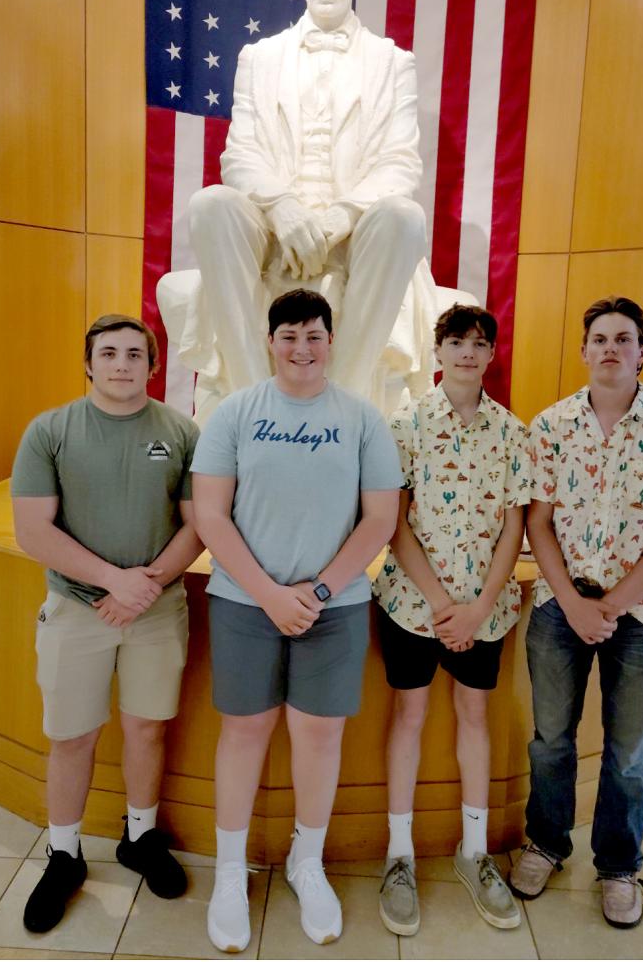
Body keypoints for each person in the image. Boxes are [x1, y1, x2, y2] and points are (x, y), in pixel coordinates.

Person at [191, 289, 401, 951]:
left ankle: (305, 862)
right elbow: (211, 515)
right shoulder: (235, 414)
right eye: (289, 336)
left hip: (333, 607)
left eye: (313, 335)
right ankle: (230, 872)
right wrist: (269, 594)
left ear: (330, 341)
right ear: (271, 341)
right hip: (244, 601)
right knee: (246, 728)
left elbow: (380, 519)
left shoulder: (363, 419)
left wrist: (315, 589)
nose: (302, 349)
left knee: (317, 734)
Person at [509, 296, 643, 929]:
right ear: (583, 351)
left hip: (640, 615)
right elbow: (536, 524)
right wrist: (573, 601)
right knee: (551, 741)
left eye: (623, 339)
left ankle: (619, 866)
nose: (610, 349)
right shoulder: (551, 426)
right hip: (559, 608)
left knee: (627, 752)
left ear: (642, 352)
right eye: (599, 338)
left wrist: (611, 607)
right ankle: (545, 844)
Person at [183, 0, 432, 404]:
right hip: (275, 233)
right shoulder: (259, 57)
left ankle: (347, 397)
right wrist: (282, 207)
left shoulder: (392, 63)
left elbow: (400, 162)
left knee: (404, 216)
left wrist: (342, 213)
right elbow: (241, 156)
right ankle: (257, 397)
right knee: (210, 204)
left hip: (356, 235)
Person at [11, 314, 203, 933]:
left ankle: (139, 839)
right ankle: (63, 854)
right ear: (89, 364)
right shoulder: (50, 431)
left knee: (147, 730)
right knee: (72, 736)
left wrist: (142, 588)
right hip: (76, 610)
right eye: (109, 353)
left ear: (152, 365)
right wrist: (114, 581)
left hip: (157, 610)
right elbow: (33, 531)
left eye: (135, 354)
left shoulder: (181, 431)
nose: (122, 364)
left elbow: (199, 524)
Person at [373, 304, 529, 934]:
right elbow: (395, 521)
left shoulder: (514, 433)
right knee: (408, 715)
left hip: (484, 613)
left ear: (492, 354)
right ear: (437, 351)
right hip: (414, 608)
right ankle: (399, 854)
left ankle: (474, 851)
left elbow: (515, 527)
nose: (468, 352)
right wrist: (441, 604)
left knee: (473, 715)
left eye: (479, 343)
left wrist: (480, 606)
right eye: (456, 342)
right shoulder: (406, 423)